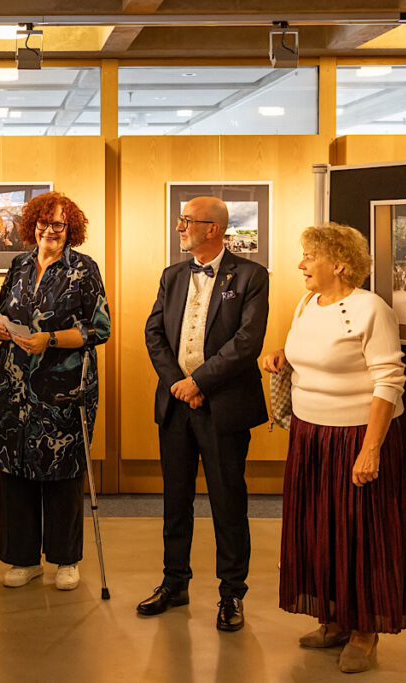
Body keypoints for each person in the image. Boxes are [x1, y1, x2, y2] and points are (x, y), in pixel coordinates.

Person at [263, 223, 406, 675]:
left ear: (339, 263)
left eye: (309, 257)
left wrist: (371, 450)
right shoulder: (308, 303)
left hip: (357, 436)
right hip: (311, 435)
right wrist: (281, 355)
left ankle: (364, 632)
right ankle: (332, 619)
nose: (301, 265)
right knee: (319, 527)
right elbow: (312, 352)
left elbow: (389, 380)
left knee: (361, 533)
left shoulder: (372, 309)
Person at [140, 196, 269, 631]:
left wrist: (201, 382)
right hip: (176, 405)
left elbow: (247, 342)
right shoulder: (173, 275)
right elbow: (154, 331)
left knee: (227, 502)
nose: (180, 227)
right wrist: (179, 382)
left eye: (187, 221)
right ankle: (174, 582)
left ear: (212, 228)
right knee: (175, 501)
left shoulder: (252, 275)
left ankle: (232, 592)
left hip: (224, 408)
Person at [0, 192, 111, 591]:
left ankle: (65, 560)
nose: (50, 231)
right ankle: (23, 559)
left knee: (62, 472)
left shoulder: (84, 270)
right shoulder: (18, 266)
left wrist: (52, 340)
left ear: (70, 228)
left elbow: (100, 330)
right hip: (14, 387)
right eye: (43, 224)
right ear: (32, 226)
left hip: (62, 391)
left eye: (58, 225)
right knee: (17, 469)